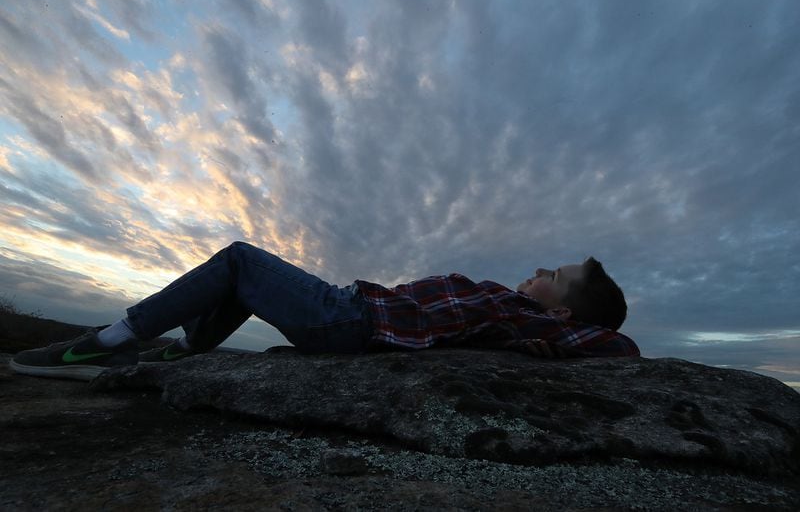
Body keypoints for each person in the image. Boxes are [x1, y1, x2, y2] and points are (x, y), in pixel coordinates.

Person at [10, 241, 639, 381]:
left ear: (564, 314)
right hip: (351, 313)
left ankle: (111, 339)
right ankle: (178, 354)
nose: (537, 272)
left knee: (239, 262)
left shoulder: (529, 319)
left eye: (552, 278)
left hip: (350, 320)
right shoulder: (512, 312)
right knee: (242, 284)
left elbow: (622, 349)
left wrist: (553, 342)